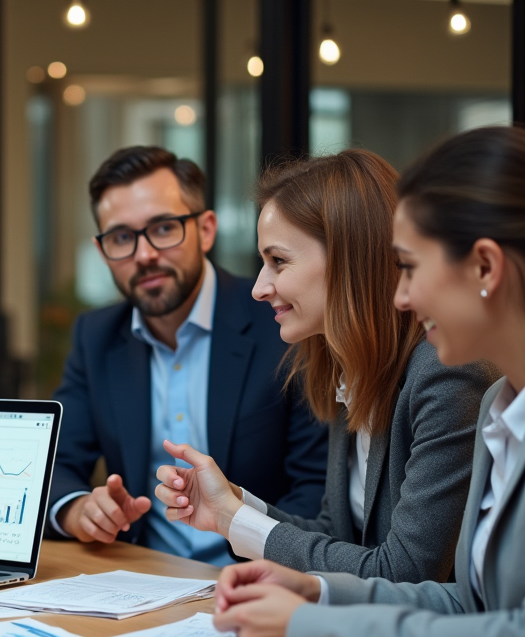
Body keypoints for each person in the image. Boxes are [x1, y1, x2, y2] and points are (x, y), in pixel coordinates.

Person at [209, 126, 525, 637]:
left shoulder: (466, 384)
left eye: (410, 268)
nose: (400, 295)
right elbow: (470, 602)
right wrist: (319, 590)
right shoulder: (502, 405)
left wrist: (311, 627)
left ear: (485, 268)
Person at [154, 150, 497, 582]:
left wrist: (235, 521)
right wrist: (234, 506)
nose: (259, 287)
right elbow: (337, 536)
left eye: (278, 261)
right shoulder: (348, 365)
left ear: (348, 259)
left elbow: (403, 572)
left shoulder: (446, 373)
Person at [49, 146, 328, 566]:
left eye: (163, 228)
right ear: (103, 250)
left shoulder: (284, 324)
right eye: (121, 238)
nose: (144, 254)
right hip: (140, 576)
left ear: (206, 229)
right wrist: (77, 509)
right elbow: (55, 461)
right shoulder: (97, 337)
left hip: (256, 573)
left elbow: (315, 488)